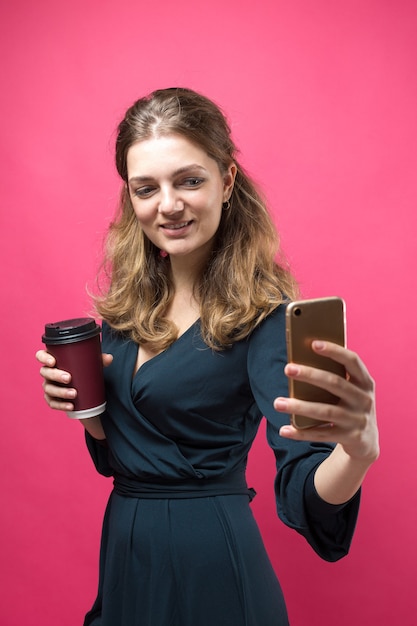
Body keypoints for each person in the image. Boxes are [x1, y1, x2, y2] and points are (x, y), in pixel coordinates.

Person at [36, 87, 379, 626]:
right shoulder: (126, 311)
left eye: (189, 180)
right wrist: (88, 411)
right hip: (126, 555)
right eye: (145, 188)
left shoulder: (265, 319)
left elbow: (302, 484)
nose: (167, 205)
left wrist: (358, 451)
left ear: (227, 181)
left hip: (209, 565)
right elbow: (130, 452)